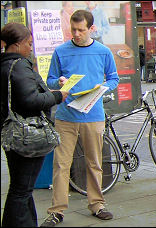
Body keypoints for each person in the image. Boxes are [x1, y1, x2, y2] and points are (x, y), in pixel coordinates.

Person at [40, 10, 119, 227]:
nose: (75, 34)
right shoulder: (61, 51)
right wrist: (60, 82)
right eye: (73, 29)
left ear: (91, 29)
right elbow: (51, 80)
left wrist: (102, 88)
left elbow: (113, 78)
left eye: (80, 30)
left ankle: (97, 204)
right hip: (66, 116)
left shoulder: (103, 51)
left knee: (94, 162)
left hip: (93, 114)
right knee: (61, 164)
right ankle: (57, 210)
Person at [1, 22, 68, 227]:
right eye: (28, 43)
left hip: (12, 132)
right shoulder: (19, 65)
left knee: (21, 187)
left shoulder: (4, 64)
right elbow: (31, 100)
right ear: (18, 44)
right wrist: (57, 96)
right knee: (21, 191)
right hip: (27, 134)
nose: (31, 47)